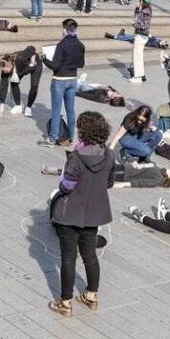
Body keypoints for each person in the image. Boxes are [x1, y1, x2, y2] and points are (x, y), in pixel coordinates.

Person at [47, 111, 115, 316]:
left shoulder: (75, 158)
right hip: (94, 213)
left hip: (71, 213)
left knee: (68, 257)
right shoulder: (109, 155)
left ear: (83, 132)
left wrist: (62, 182)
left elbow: (66, 186)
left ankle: (65, 302)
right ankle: (91, 295)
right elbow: (109, 183)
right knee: (90, 255)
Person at [38, 18, 85, 147]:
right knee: (70, 110)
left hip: (59, 80)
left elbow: (55, 65)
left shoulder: (62, 45)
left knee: (56, 110)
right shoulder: (80, 45)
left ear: (64, 29)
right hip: (72, 80)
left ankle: (52, 139)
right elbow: (81, 64)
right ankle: (70, 137)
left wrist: (44, 59)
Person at [0, 46, 42, 116]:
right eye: (3, 70)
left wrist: (32, 62)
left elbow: (31, 48)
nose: (4, 72)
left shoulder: (20, 58)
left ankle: (29, 107)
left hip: (35, 65)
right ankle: (18, 106)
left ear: (9, 66)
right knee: (14, 82)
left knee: (34, 86)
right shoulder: (5, 69)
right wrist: (2, 102)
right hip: (23, 69)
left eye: (5, 70)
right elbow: (3, 85)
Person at [130, 0, 153, 83]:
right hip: (142, 35)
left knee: (137, 56)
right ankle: (141, 75)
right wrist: (137, 9)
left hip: (141, 35)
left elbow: (143, 25)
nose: (139, 2)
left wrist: (134, 24)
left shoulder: (145, 12)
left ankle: (138, 77)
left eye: (141, 0)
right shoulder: (146, 9)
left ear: (143, 1)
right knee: (139, 56)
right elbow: (137, 18)